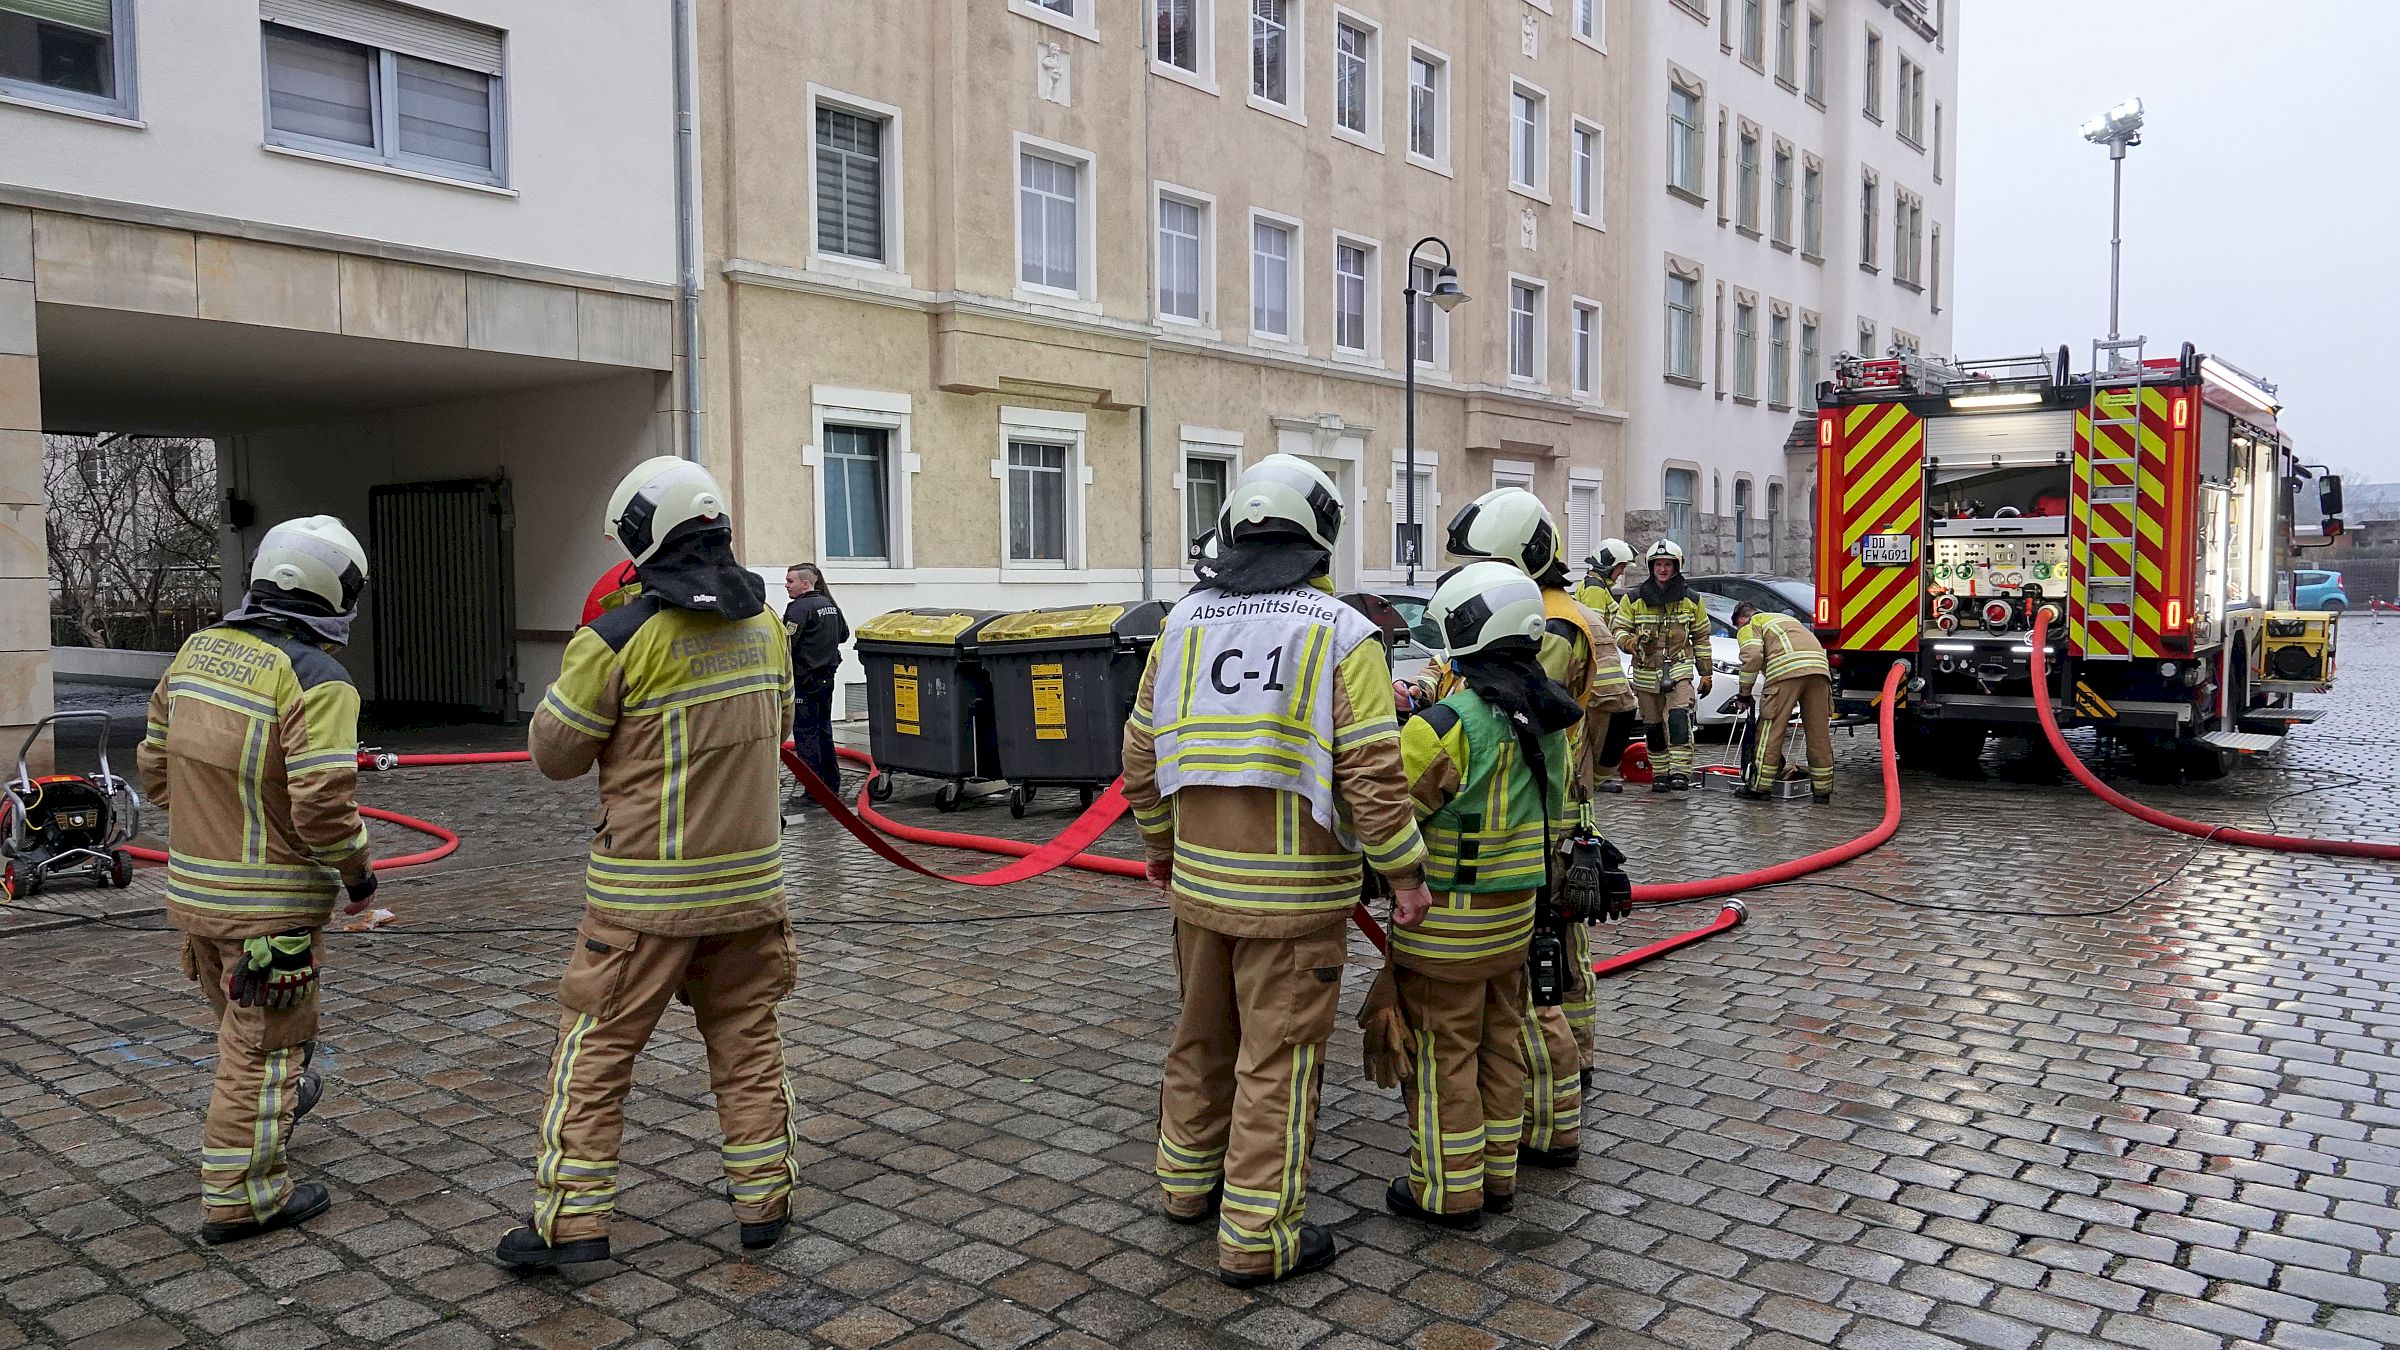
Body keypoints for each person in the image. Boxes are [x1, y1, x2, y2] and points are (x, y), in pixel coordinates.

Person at [1121, 453, 1433, 1288]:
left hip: (1198, 891)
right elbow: (1373, 774)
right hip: (1295, 905)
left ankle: (1186, 1188)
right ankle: (1259, 1238)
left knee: (1200, 1040)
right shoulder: (1341, 633)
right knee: (1278, 1063)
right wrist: (1405, 875)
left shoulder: (1182, 625)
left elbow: (1140, 756)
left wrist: (1159, 846)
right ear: (1321, 533)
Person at [496, 456, 801, 1268]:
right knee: (747, 1041)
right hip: (752, 892)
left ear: (641, 537)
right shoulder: (767, 627)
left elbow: (555, 755)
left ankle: (572, 1226)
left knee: (594, 1055)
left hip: (642, 904)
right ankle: (764, 1203)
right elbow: (780, 728)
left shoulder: (615, 639)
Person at [138, 516, 377, 1244]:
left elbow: (155, 771)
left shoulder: (197, 652)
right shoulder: (318, 679)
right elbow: (323, 807)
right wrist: (359, 879)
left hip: (193, 900)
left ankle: (273, 1109)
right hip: (270, 913)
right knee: (263, 1050)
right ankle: (241, 1198)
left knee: (240, 1035)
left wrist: (213, 822)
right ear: (337, 593)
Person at [1366, 561, 1578, 1231]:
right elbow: (1559, 815)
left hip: (1445, 930)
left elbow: (1391, 814)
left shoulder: (1442, 725)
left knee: (1441, 1055)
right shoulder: (1550, 718)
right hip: (1515, 924)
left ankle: (1448, 1192)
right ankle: (1498, 1176)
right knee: (1500, 1044)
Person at [1425, 487, 1620, 1148]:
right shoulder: (1548, 612)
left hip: (1528, 819)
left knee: (1543, 965)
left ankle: (1560, 1088)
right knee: (1547, 957)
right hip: (1539, 807)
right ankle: (1558, 1088)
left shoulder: (1549, 626)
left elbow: (1499, 706)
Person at [1613, 541, 1713, 793]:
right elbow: (1619, 630)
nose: (1663, 569)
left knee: (1678, 719)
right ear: (1651, 567)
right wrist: (1631, 643)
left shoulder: (1692, 600)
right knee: (1653, 726)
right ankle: (1660, 773)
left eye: (1668, 564)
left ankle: (1680, 772)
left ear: (1676, 567)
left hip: (1679, 668)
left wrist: (1706, 673)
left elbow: (1701, 638)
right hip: (1646, 673)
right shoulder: (1634, 599)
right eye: (1658, 564)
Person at [1730, 600, 1835, 803]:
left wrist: (1744, 693)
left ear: (1740, 621)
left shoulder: (1751, 625)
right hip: (1820, 671)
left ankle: (1760, 787)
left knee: (1771, 730)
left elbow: (1752, 656)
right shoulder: (1784, 620)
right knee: (1818, 732)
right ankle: (1822, 790)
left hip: (1786, 672)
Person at [782, 562, 848, 811]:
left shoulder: (799, 608)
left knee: (806, 736)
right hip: (826, 679)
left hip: (805, 681)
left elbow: (787, 643)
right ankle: (831, 785)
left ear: (805, 584)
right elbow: (843, 634)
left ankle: (814, 792)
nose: (786, 585)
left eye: (790, 581)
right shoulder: (829, 604)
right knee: (824, 732)